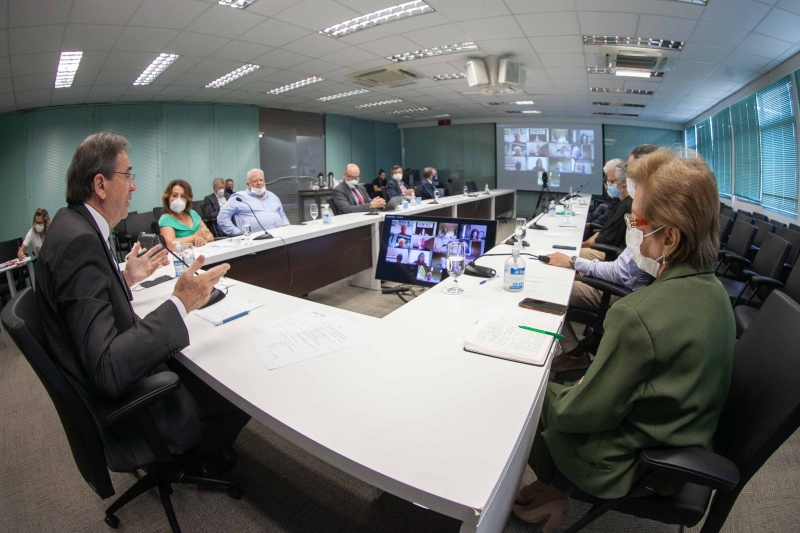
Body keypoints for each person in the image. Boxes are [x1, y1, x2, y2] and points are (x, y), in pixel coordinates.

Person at [514, 147, 735, 529]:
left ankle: (555, 489)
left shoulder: (637, 315)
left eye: (638, 217)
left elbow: (577, 413)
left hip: (629, 462)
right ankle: (552, 489)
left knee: (531, 388)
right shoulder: (714, 292)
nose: (631, 222)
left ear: (670, 239)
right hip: (680, 437)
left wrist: (583, 384)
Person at [35, 132, 250, 473]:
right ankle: (196, 457)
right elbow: (107, 367)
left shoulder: (71, 225)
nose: (134, 187)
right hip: (129, 406)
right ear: (101, 185)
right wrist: (180, 303)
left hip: (116, 380)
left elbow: (80, 303)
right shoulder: (80, 243)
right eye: (128, 176)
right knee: (236, 379)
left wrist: (124, 279)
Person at [580, 161, 631, 260]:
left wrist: (582, 245)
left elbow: (606, 238)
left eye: (612, 182)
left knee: (572, 254)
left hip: (610, 254)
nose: (609, 185)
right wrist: (584, 243)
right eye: (608, 182)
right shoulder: (621, 202)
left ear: (624, 182)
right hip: (604, 248)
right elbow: (604, 231)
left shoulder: (626, 205)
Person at [217, 169, 290, 235]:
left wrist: (287, 226)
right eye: (255, 181)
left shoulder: (273, 196)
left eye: (261, 180)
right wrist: (236, 232)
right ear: (248, 184)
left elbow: (281, 213)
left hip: (280, 237)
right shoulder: (238, 198)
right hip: (255, 241)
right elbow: (222, 218)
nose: (259, 183)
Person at [159, 180, 215, 251]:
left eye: (183, 196)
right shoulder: (166, 219)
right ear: (168, 198)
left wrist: (203, 239)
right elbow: (171, 245)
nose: (178, 200)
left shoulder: (193, 213)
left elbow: (210, 236)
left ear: (187, 199)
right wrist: (195, 237)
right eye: (174, 195)